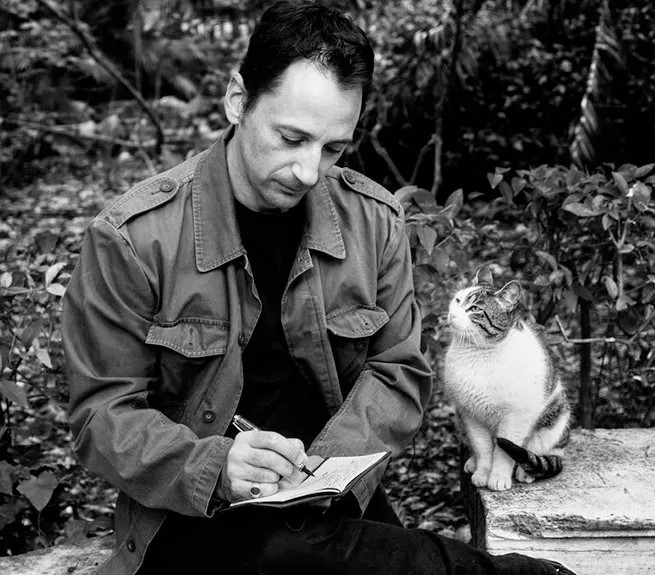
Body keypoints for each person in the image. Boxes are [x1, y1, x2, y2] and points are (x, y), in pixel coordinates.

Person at [63, 2, 578, 574]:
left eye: (333, 149)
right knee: (279, 550)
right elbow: (102, 415)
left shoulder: (374, 220)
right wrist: (216, 466)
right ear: (238, 100)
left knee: (297, 546)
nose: (309, 172)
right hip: (193, 507)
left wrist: (320, 474)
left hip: (330, 497)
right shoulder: (132, 237)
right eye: (291, 138)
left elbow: (399, 373)